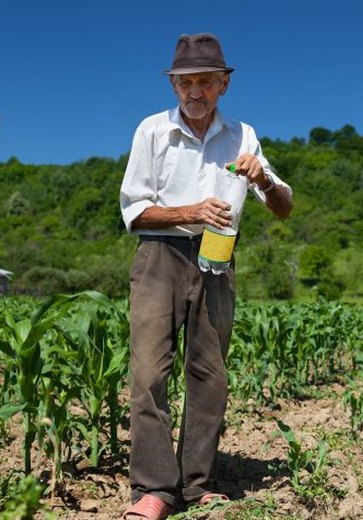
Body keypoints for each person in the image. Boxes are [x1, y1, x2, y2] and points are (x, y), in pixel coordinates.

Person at [118, 33, 292, 519]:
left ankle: (197, 485)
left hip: (219, 257)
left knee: (210, 376)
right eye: (186, 81)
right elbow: (133, 211)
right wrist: (191, 210)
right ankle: (154, 489)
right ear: (174, 85)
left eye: (205, 82)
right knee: (150, 372)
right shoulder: (152, 131)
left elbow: (284, 206)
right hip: (160, 256)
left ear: (223, 85)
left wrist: (262, 178)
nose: (195, 91)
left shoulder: (244, 135)